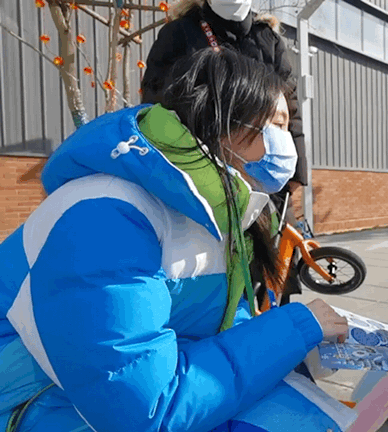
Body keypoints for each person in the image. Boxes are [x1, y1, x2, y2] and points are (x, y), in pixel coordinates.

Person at [0, 48, 354, 432]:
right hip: (33, 402)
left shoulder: (215, 211)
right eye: (277, 125)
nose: (288, 145)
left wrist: (298, 347)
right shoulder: (105, 217)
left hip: (91, 394)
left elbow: (219, 329)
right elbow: (147, 411)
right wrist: (294, 329)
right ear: (222, 121)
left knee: (304, 412)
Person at [141, 0, 308, 290]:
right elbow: (157, 105)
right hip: (202, 179)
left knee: (272, 274)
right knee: (212, 274)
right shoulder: (180, 33)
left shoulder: (267, 38)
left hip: (263, 176)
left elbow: (289, 110)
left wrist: (295, 173)